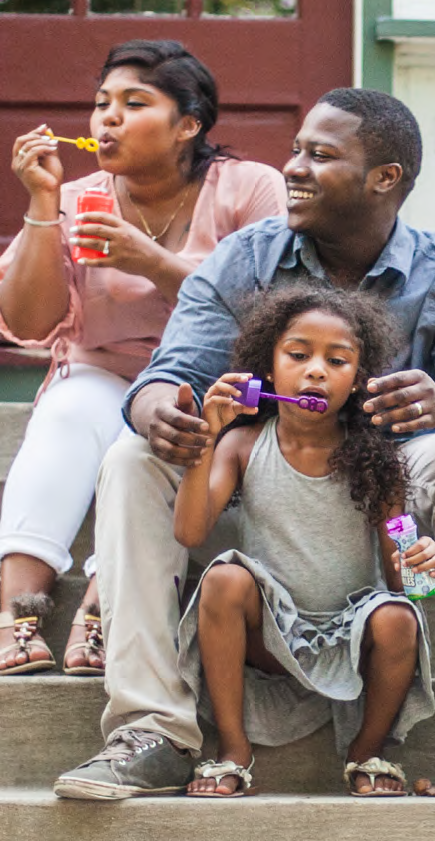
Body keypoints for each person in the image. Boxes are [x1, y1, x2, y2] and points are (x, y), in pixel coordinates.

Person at [54, 87, 435, 800]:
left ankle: (377, 737)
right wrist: (156, 412)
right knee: (131, 457)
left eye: (319, 155)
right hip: (255, 508)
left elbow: (410, 561)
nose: (292, 166)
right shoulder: (248, 257)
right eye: (295, 148)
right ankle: (154, 730)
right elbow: (169, 375)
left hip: (385, 494)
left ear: (385, 178)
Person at [0, 39, 286, 678]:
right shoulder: (79, 197)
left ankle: (103, 610)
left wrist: (149, 261)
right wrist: (43, 206)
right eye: (102, 104)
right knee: (69, 416)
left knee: (157, 430)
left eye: (134, 103)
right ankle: (15, 614)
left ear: (190, 123)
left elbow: (269, 316)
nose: (108, 118)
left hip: (204, 381)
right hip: (101, 370)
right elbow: (28, 321)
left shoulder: (248, 189)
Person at [174, 285, 435, 797]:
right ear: (269, 370)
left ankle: (369, 750)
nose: (316, 370)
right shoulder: (241, 445)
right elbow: (189, 533)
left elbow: (403, 581)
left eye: (336, 361)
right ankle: (233, 750)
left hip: (349, 640)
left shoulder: (379, 462)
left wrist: (428, 563)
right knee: (224, 579)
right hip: (270, 637)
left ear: (358, 382)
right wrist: (204, 441)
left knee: (398, 617)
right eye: (299, 355)